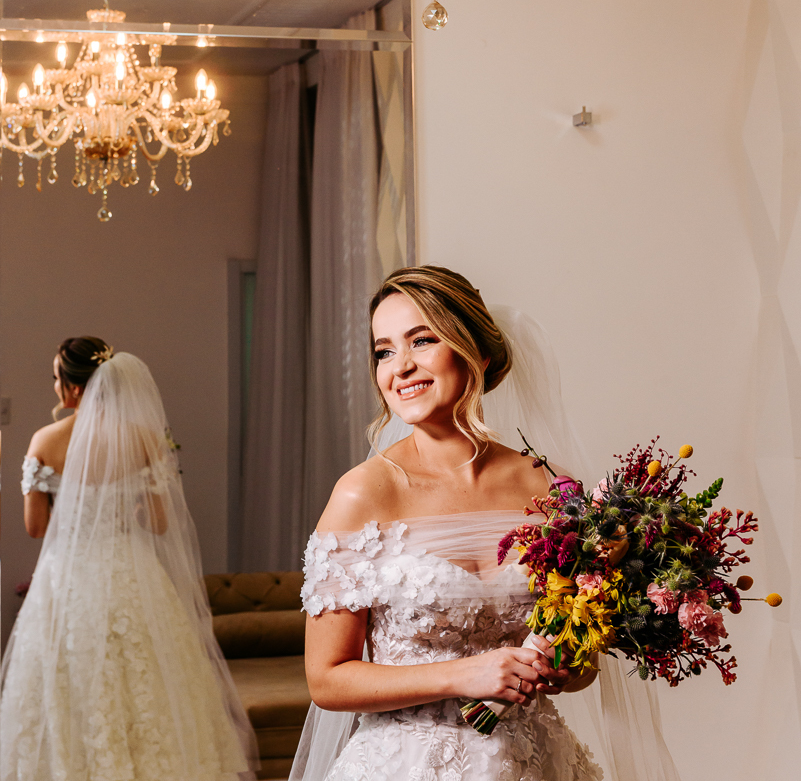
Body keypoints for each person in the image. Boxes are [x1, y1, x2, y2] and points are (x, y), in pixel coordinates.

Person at [293, 266, 605, 781]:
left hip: (536, 761)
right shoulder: (364, 492)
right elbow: (327, 680)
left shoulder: (548, 486)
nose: (402, 366)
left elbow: (582, 660)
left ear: (476, 352)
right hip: (406, 766)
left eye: (422, 340)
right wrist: (466, 674)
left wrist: (567, 669)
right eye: (384, 351)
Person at [0, 337, 256, 781]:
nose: (55, 387)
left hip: (70, 574)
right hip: (129, 569)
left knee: (66, 677)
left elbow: (36, 528)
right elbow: (158, 522)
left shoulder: (45, 439)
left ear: (74, 388)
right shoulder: (141, 439)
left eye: (57, 378)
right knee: (148, 674)